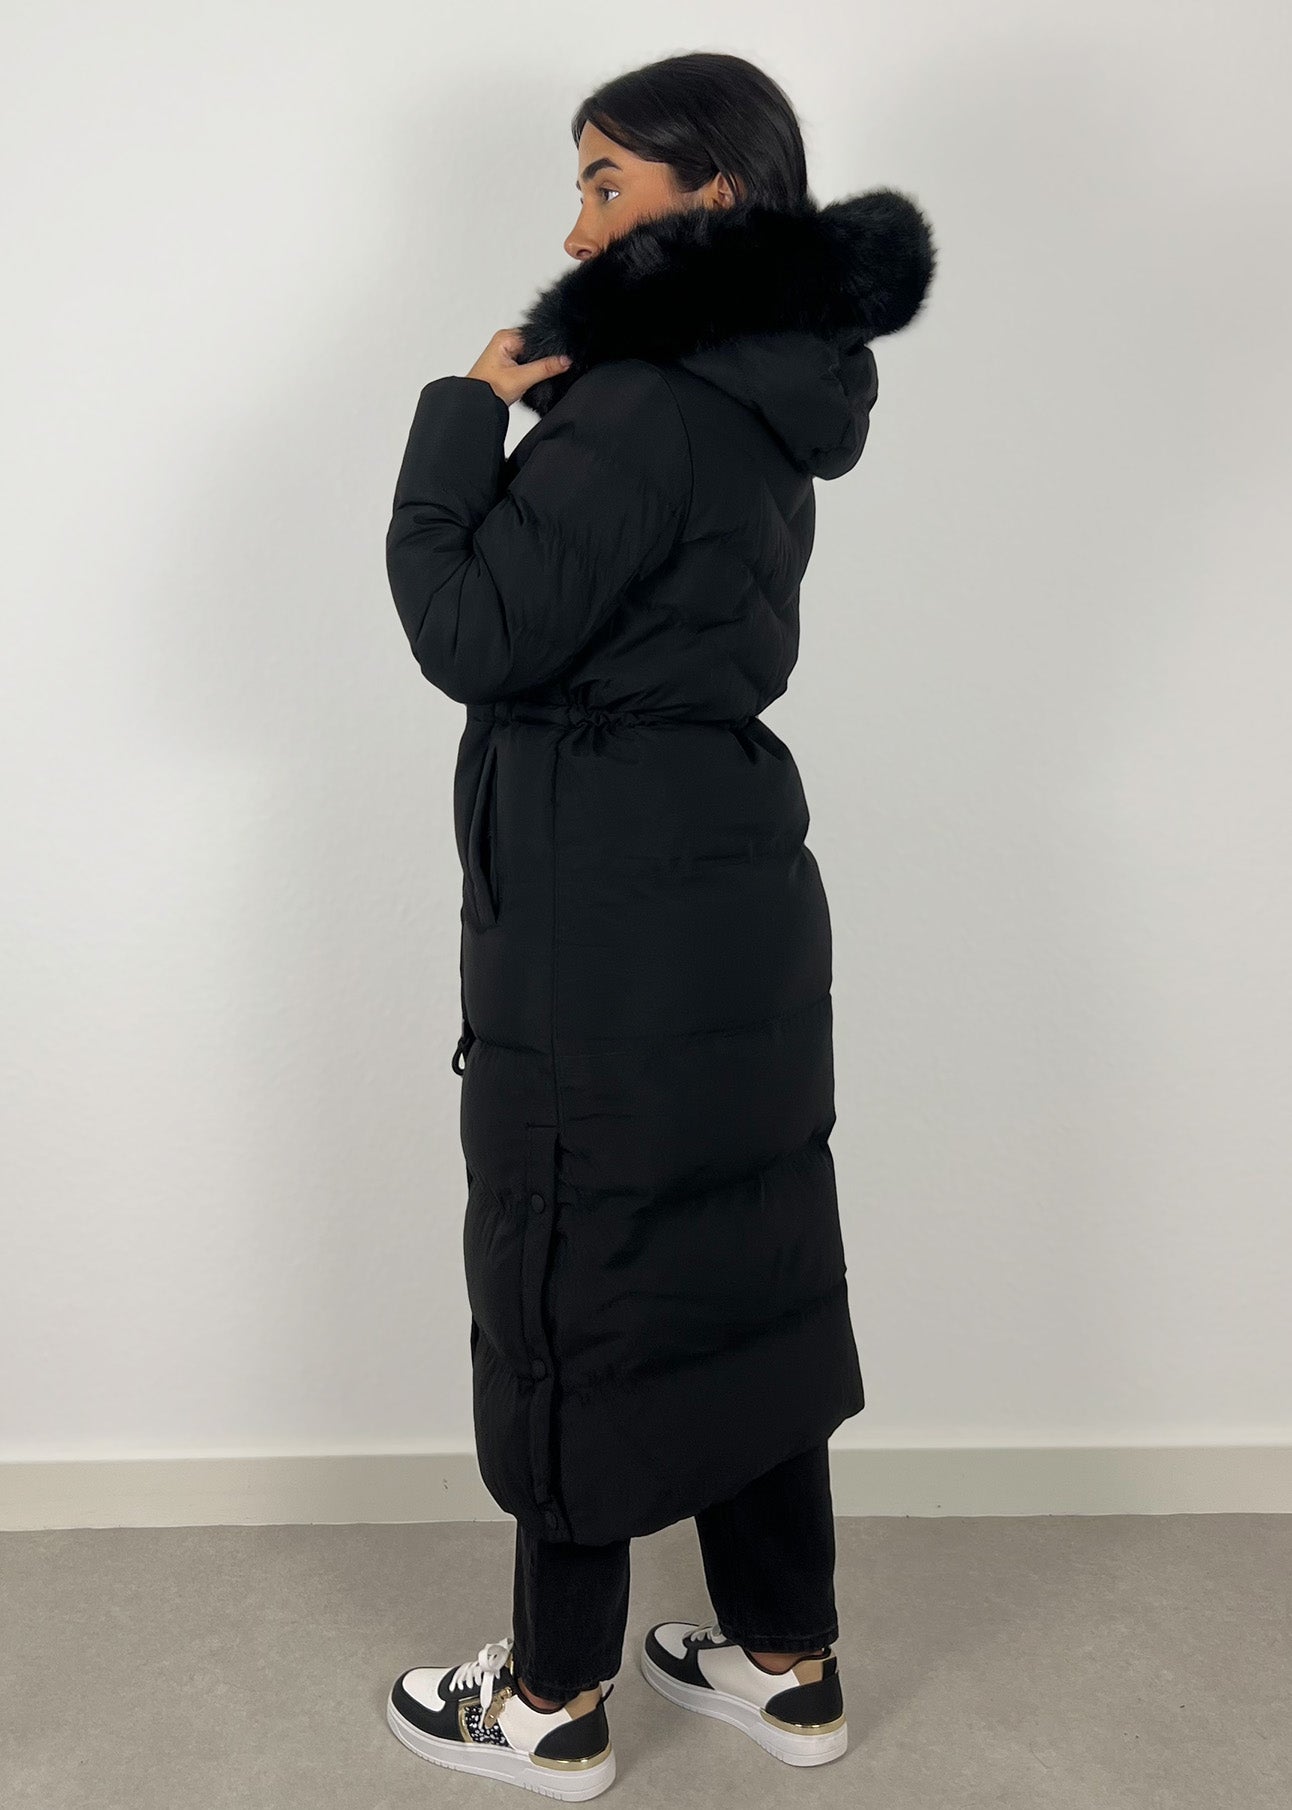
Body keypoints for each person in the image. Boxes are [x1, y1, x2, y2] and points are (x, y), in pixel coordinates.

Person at [382, 49, 935, 1798]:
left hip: (600, 890)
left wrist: (459, 413)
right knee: (735, 1252)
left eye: (607, 183)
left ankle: (550, 1696)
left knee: (581, 1253)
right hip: (733, 877)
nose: (574, 226)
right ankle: (786, 1652)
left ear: (717, 191)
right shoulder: (763, 393)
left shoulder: (634, 404)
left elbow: (471, 628)